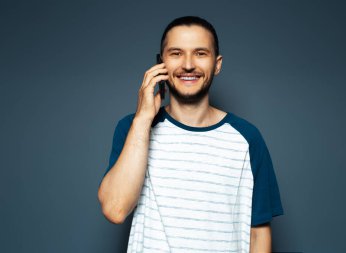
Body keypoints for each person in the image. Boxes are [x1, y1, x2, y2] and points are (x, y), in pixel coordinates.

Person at [98, 16, 283, 253]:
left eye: (200, 53)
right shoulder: (134, 128)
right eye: (176, 53)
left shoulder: (247, 138)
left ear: (217, 64)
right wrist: (143, 119)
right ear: (160, 62)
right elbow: (115, 209)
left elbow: (258, 235)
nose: (188, 64)